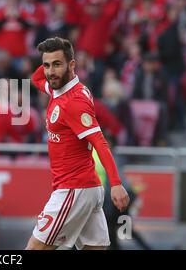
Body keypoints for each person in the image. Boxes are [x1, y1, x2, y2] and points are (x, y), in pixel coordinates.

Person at [25, 37, 130, 250]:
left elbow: (100, 143)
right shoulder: (58, 88)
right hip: (87, 188)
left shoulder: (74, 102)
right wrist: (53, 53)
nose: (50, 72)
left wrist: (117, 183)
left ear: (72, 65)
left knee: (35, 248)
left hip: (73, 188)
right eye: (46, 65)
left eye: (57, 64)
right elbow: (36, 79)